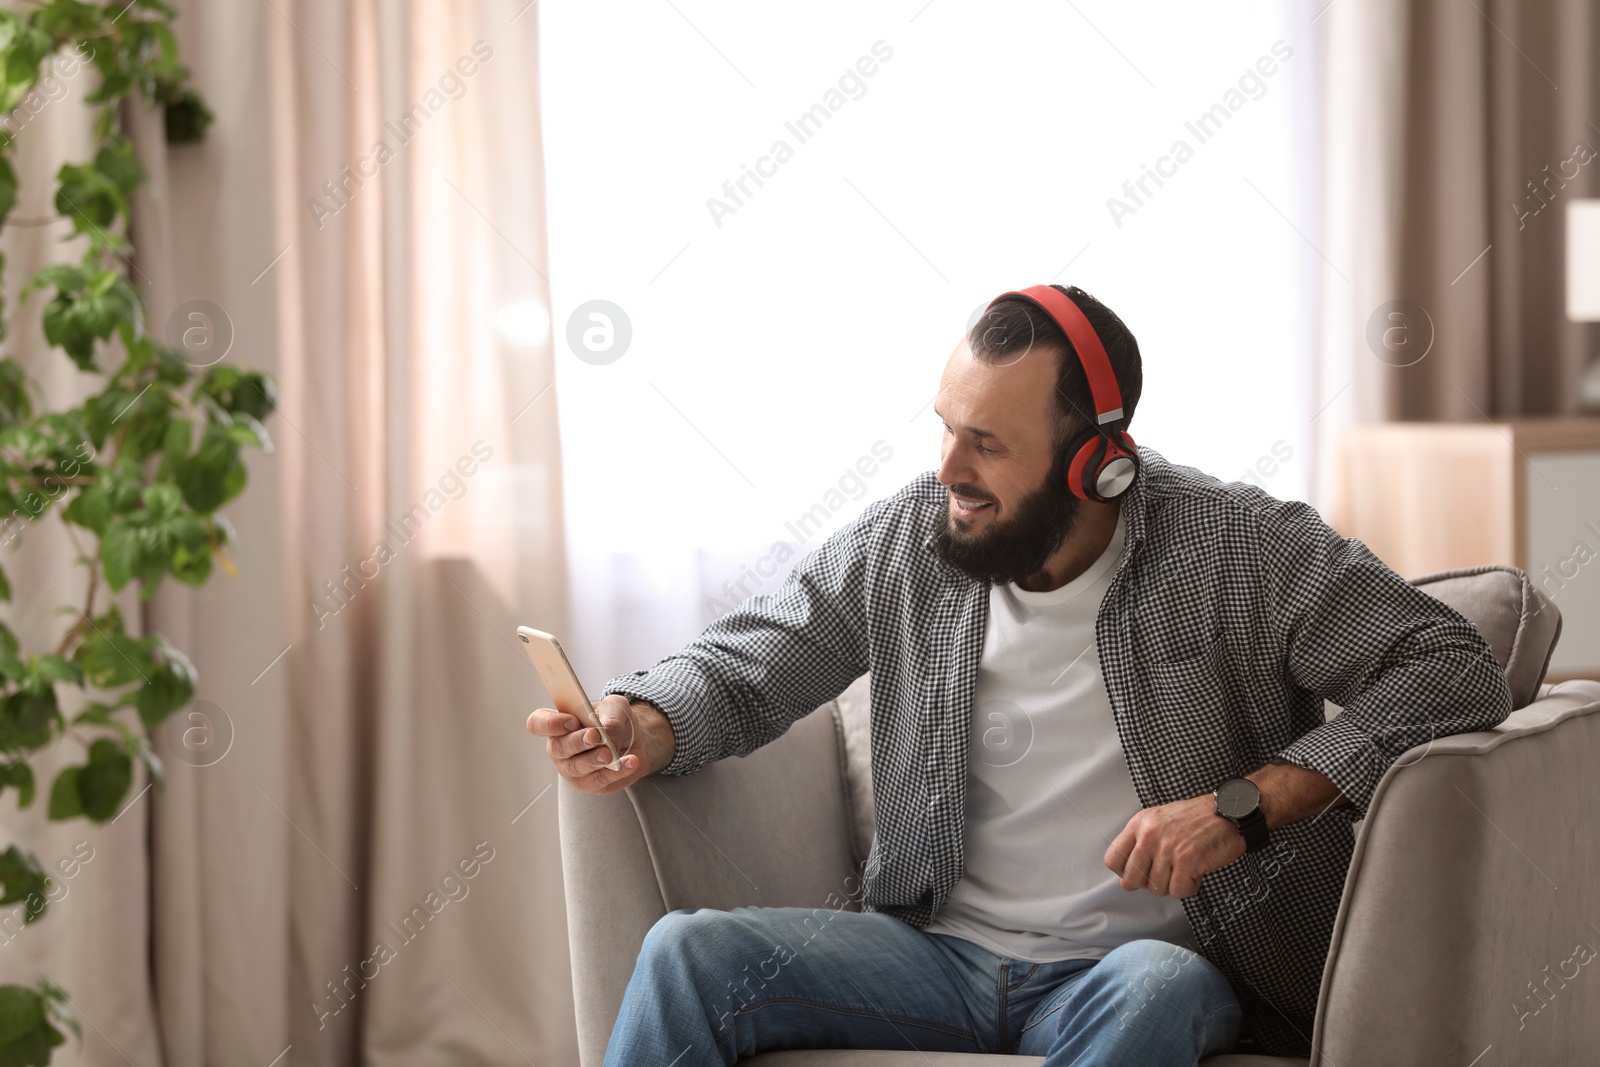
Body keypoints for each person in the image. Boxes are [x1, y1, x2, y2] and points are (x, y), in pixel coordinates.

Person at [529, 284, 1512, 1065]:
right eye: (946, 426)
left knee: (1156, 996)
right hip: (936, 951)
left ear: (1098, 465)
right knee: (686, 955)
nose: (948, 467)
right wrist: (639, 719)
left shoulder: (1236, 546)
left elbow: (1446, 665)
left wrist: (1249, 803)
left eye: (987, 444)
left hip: (1149, 962)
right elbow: (751, 662)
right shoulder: (911, 536)